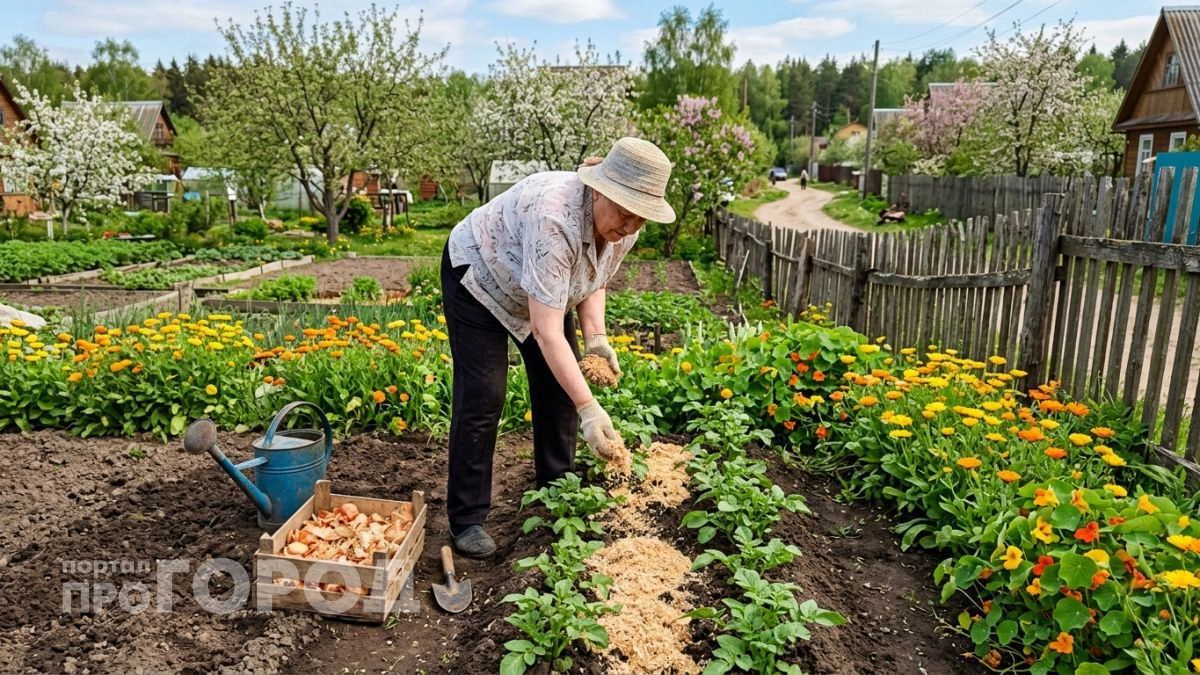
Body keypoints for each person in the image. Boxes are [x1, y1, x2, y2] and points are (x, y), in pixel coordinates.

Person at [439, 137, 676, 558]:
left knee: (559, 390)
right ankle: (467, 519)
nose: (630, 226)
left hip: (538, 291)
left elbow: (594, 276)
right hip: (479, 276)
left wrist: (596, 338)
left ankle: (557, 491)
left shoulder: (623, 226)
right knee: (484, 395)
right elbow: (547, 330)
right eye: (625, 214)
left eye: (640, 219)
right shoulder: (555, 217)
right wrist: (591, 409)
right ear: (601, 190)